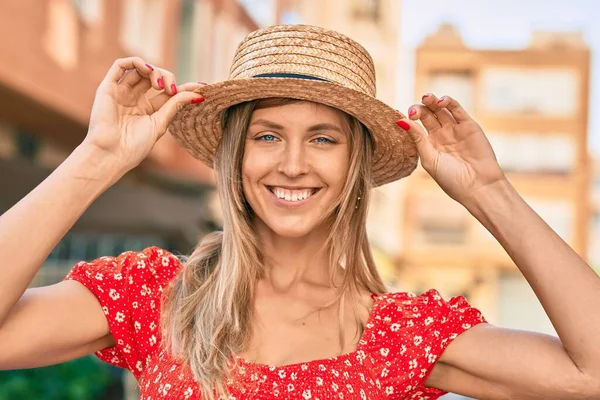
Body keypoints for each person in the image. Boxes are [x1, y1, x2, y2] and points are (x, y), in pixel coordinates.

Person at [0, 24, 598, 400]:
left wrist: (488, 191)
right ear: (235, 156)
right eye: (266, 136)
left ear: (355, 164)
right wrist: (98, 158)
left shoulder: (399, 335)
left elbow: (590, 374)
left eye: (322, 138)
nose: (291, 164)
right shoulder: (157, 296)